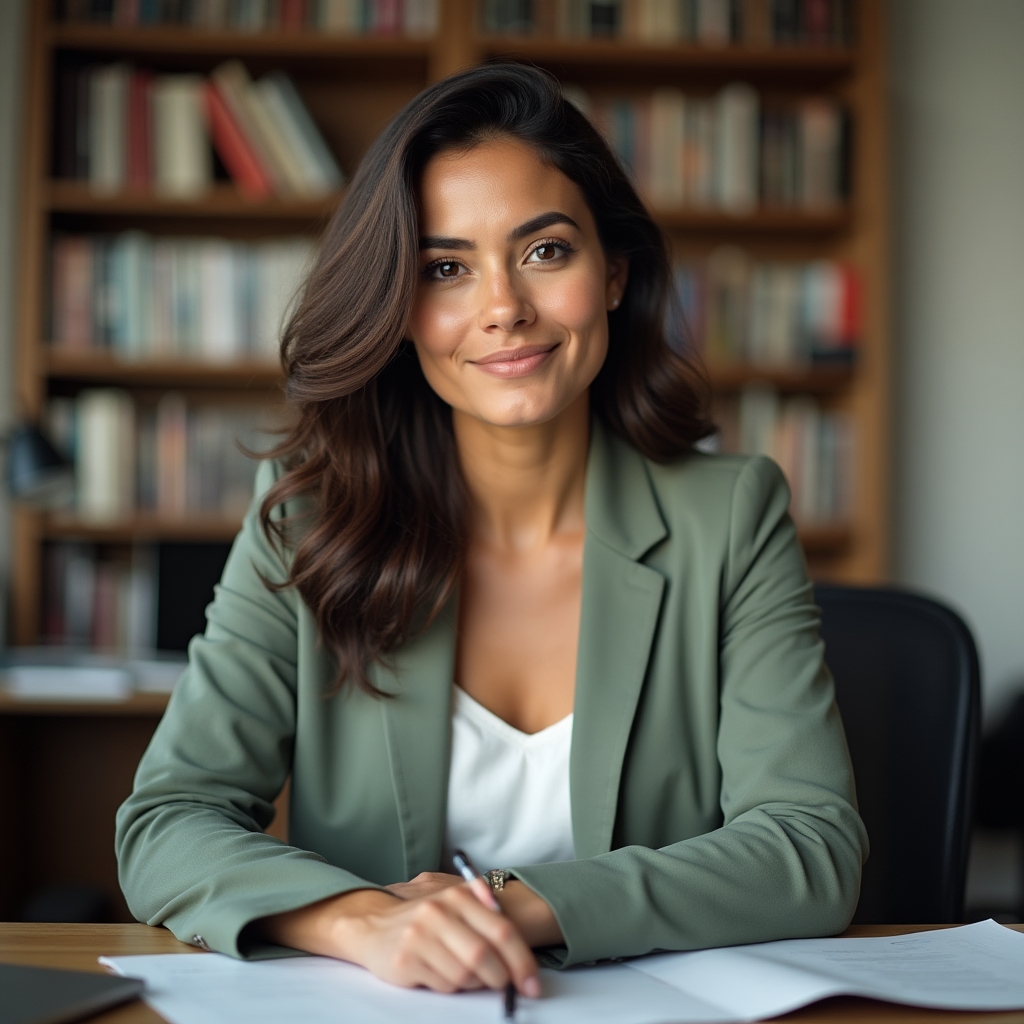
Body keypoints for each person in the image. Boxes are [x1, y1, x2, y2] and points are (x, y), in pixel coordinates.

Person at [116, 63, 867, 1001]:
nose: (503, 306)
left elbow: (809, 847)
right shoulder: (308, 520)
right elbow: (168, 822)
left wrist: (506, 905)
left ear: (614, 273)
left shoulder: (731, 515)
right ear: (398, 310)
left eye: (545, 252)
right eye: (445, 269)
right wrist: (366, 922)